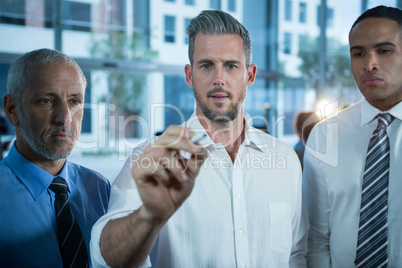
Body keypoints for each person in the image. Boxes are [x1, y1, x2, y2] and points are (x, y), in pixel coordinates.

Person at [91, 10, 308, 268]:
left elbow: (297, 255)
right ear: (189, 75)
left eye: (230, 66)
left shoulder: (285, 160)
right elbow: (106, 259)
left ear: (249, 75)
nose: (219, 79)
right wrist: (149, 216)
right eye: (206, 66)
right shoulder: (153, 158)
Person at [303, 5, 402, 267]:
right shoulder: (326, 135)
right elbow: (316, 238)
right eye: (358, 53)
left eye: (384, 50)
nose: (369, 64)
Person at [0, 48, 111, 267]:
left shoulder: (99, 188)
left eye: (74, 101)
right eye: (46, 101)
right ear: (12, 110)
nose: (64, 118)